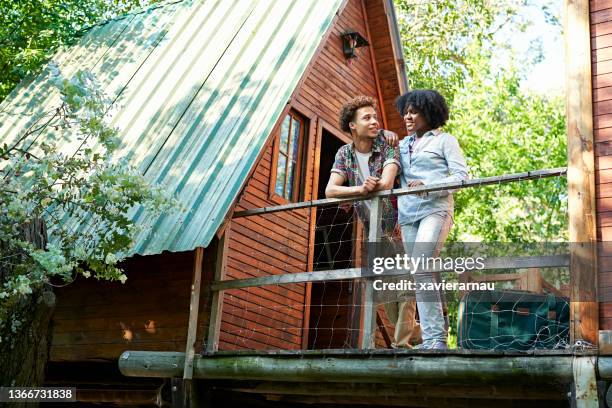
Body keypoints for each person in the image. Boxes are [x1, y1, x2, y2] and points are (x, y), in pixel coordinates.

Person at [325, 95, 421, 348]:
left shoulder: (388, 145)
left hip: (399, 227)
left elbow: (387, 183)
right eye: (367, 118)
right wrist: (360, 190)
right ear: (352, 126)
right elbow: (330, 190)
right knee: (388, 297)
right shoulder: (344, 154)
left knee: (406, 289)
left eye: (375, 117)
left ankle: (401, 345)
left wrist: (373, 186)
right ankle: (425, 333)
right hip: (373, 233)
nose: (374, 121)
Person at [394, 89, 469, 350]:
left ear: (430, 112)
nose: (408, 116)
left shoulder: (445, 140)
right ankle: (433, 337)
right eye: (405, 112)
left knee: (423, 267)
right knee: (419, 273)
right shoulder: (401, 145)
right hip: (407, 216)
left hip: (435, 210)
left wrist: (428, 184)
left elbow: (462, 177)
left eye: (413, 111)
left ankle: (435, 339)